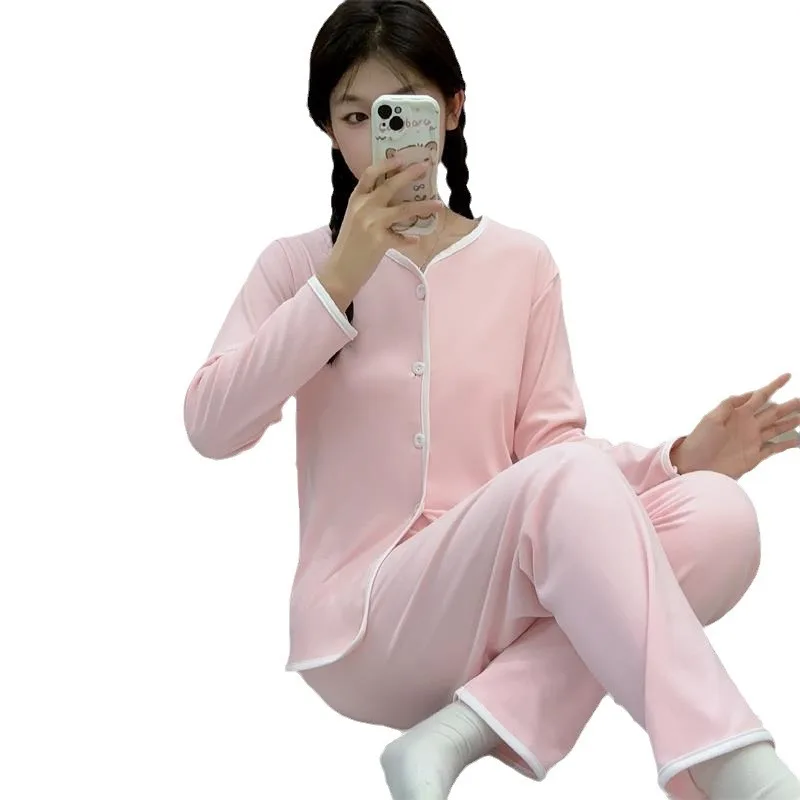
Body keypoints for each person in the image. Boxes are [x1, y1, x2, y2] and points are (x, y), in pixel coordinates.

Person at [182, 1, 800, 797]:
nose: (378, 134)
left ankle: (453, 733)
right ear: (328, 130)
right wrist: (338, 280)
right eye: (355, 116)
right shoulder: (296, 267)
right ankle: (736, 767)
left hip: (497, 617)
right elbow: (211, 426)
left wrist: (678, 460)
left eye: (402, 109)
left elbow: (554, 459)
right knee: (583, 492)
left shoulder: (522, 263)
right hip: (363, 629)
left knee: (719, 516)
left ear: (451, 110)